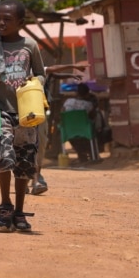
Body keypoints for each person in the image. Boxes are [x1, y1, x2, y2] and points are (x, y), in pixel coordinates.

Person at [0, 0, 46, 232]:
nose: (1, 22)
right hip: (1, 112)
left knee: (25, 161)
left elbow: (41, 74)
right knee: (4, 157)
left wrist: (34, 82)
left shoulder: (30, 46)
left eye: (7, 19)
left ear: (21, 23)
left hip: (26, 113)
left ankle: (19, 211)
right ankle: (5, 205)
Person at [30, 64, 86, 196]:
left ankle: (36, 179)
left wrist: (71, 73)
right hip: (22, 113)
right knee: (25, 146)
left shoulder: (37, 69)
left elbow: (53, 72)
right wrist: (72, 67)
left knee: (40, 144)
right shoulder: (22, 69)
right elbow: (53, 71)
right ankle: (27, 178)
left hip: (39, 112)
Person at [62, 82, 99, 163]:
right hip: (84, 130)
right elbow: (92, 116)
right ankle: (91, 153)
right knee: (92, 130)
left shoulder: (68, 102)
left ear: (76, 93)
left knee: (73, 137)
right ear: (87, 94)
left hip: (69, 130)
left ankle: (81, 154)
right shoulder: (89, 105)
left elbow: (63, 114)